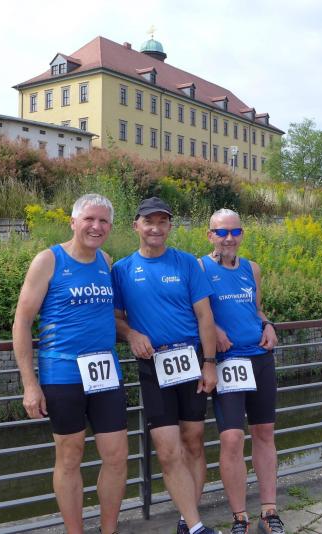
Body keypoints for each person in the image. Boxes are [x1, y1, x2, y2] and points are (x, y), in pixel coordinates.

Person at [12, 194, 127, 534]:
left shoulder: (105, 260)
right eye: (89, 219)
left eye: (103, 221)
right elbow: (22, 322)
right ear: (73, 222)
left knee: (117, 456)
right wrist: (29, 384)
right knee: (69, 455)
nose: (96, 226)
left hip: (104, 372)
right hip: (62, 372)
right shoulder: (48, 260)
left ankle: (109, 530)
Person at [112, 197, 221, 534]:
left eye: (162, 222)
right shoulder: (122, 270)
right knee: (167, 449)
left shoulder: (187, 263)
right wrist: (131, 333)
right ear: (136, 226)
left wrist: (210, 363)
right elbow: (115, 318)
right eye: (149, 221)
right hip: (152, 365)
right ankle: (196, 526)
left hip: (191, 361)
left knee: (194, 441)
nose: (156, 228)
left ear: (170, 226)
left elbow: (205, 317)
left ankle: (188, 520)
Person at [201, 208, 284, 534]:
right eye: (221, 232)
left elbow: (256, 309)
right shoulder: (200, 268)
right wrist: (213, 330)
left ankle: (269, 511)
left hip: (260, 359)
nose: (229, 238)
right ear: (210, 235)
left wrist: (268, 324)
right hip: (227, 362)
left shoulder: (252, 268)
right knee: (232, 438)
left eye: (235, 231)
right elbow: (195, 313)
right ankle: (239, 517)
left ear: (242, 234)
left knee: (264, 433)